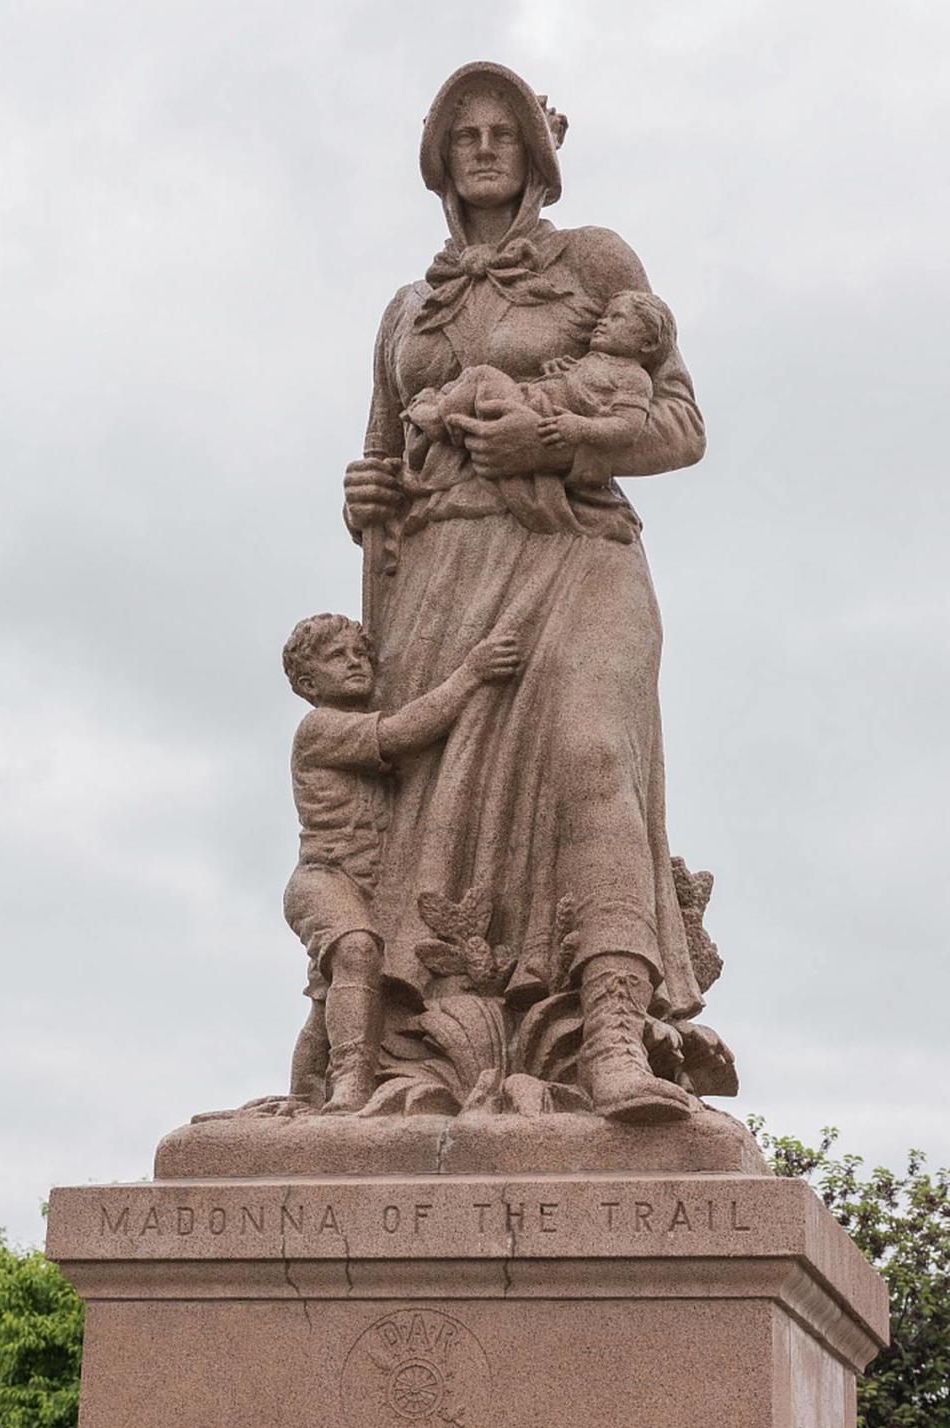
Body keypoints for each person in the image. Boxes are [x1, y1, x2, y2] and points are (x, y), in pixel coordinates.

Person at [342, 61, 707, 1122]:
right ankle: (408, 1055)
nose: (489, 147)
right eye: (468, 134)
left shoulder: (596, 260)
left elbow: (681, 427)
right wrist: (366, 492)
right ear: (441, 160)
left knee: (595, 754)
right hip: (445, 577)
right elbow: (382, 461)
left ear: (538, 153)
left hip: (578, 550)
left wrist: (552, 436)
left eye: (506, 130)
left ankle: (609, 1038)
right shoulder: (406, 310)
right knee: (436, 822)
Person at [281, 611, 520, 1112]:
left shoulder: (347, 723)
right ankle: (351, 1079)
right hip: (325, 876)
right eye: (336, 657)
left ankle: (304, 1093)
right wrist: (471, 673)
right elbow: (403, 732)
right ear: (307, 681)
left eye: (359, 654)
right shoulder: (319, 728)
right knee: (358, 952)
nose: (355, 663)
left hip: (370, 883)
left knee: (331, 994)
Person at [404, 288, 677, 495]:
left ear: (648, 343)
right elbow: (580, 387)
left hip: (535, 412)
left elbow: (628, 428)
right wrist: (562, 372)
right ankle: (436, 418)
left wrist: (579, 429)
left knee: (482, 376)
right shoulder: (594, 361)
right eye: (604, 316)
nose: (602, 322)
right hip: (531, 399)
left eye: (616, 318)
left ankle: (438, 420)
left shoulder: (635, 378)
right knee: (471, 381)